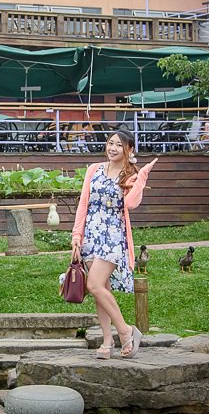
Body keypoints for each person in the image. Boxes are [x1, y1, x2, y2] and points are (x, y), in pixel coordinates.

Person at [71, 130, 157, 359]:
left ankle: (126, 331)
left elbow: (130, 203)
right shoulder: (93, 170)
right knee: (102, 290)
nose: (112, 148)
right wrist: (76, 236)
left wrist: (141, 178)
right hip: (91, 234)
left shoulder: (130, 174)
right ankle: (107, 342)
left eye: (119, 145)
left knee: (94, 285)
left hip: (113, 236)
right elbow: (83, 204)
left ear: (128, 149)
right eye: (110, 143)